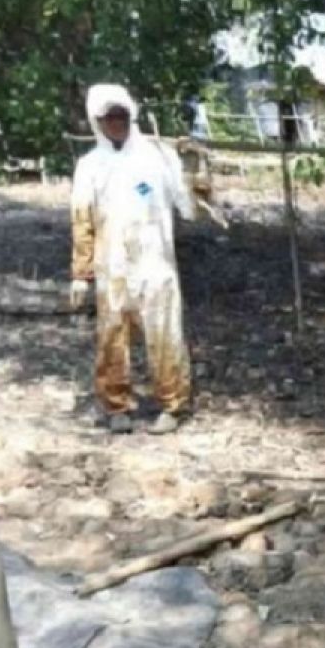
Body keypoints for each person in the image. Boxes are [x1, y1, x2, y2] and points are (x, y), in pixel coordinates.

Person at [69, 84, 195, 434]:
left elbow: (189, 204)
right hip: (112, 266)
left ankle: (172, 405)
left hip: (156, 262)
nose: (116, 122)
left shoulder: (157, 156)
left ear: (131, 115)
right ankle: (116, 407)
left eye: (121, 115)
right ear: (97, 121)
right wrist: (81, 272)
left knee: (165, 333)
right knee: (111, 338)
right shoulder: (90, 165)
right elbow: (82, 219)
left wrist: (197, 178)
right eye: (108, 117)